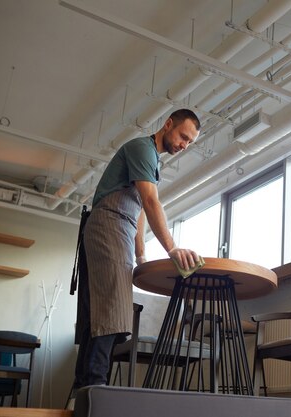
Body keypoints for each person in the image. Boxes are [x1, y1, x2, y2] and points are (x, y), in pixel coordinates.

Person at [71, 108, 202, 394]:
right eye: (183, 136)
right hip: (108, 223)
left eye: (190, 142)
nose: (184, 145)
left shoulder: (153, 161)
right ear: (168, 124)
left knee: (106, 315)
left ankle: (84, 393)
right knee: (109, 315)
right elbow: (151, 202)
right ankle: (94, 390)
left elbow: (140, 209)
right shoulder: (141, 148)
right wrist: (173, 248)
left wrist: (141, 255)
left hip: (120, 228)